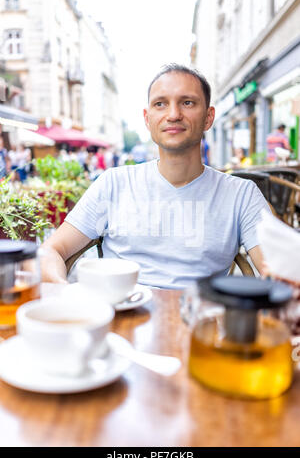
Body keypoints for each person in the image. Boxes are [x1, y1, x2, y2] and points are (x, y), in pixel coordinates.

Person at [40, 63, 269, 289]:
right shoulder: (114, 184)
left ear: (209, 117)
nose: (173, 114)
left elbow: (279, 268)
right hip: (121, 318)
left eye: (187, 102)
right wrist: (63, 291)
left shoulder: (241, 194)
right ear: (147, 119)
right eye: (160, 104)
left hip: (200, 320)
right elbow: (51, 250)